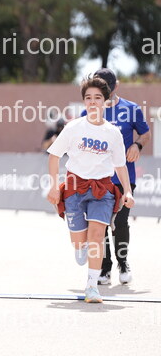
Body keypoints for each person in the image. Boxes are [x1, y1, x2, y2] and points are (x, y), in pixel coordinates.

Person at [47, 76, 134, 303]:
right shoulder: (73, 127)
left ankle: (92, 286)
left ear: (105, 101)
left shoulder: (112, 133)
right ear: (84, 101)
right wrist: (54, 186)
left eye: (97, 98)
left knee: (97, 235)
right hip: (75, 187)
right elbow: (54, 156)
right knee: (80, 243)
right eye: (88, 98)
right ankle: (80, 245)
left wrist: (127, 191)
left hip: (102, 190)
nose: (93, 102)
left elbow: (120, 165)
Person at [79, 68, 151, 285]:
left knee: (119, 222)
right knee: (100, 223)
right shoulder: (88, 113)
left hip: (124, 178)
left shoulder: (131, 109)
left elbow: (145, 133)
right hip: (98, 179)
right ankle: (104, 267)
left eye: (107, 89)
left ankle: (123, 262)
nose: (104, 94)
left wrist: (137, 145)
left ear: (116, 86)